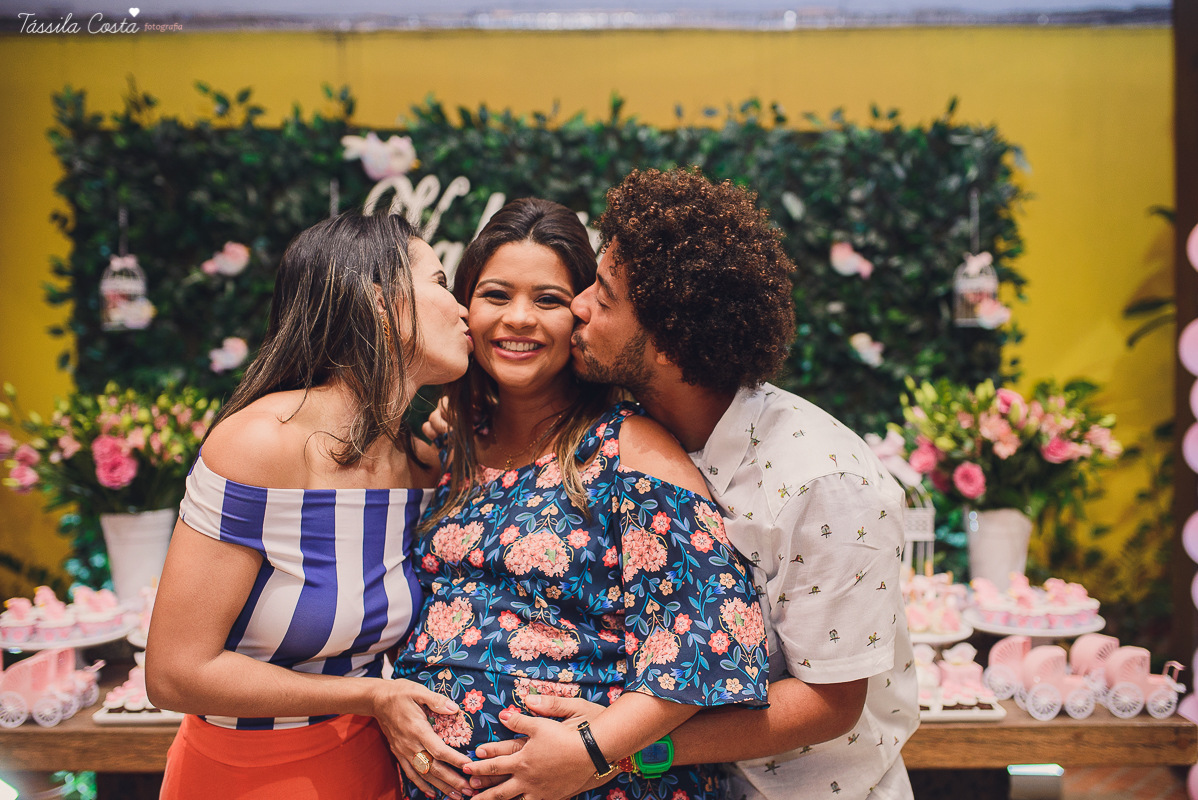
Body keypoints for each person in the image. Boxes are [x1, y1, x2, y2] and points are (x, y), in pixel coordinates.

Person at [464, 169, 919, 800]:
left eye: (604, 297)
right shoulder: (634, 422)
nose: (578, 307)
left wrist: (618, 751)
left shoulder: (823, 480)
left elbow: (829, 703)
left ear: (671, 345)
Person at [393, 197, 770, 800]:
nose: (519, 318)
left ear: (581, 314)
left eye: (548, 299)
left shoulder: (630, 447)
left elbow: (711, 638)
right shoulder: (449, 448)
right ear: (465, 308)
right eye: (495, 295)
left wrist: (591, 750)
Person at [146, 211, 481, 799]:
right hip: (246, 774)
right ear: (379, 300)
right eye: (439, 283)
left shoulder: (420, 461)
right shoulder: (259, 445)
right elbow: (175, 674)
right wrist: (369, 695)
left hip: (376, 768)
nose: (464, 311)